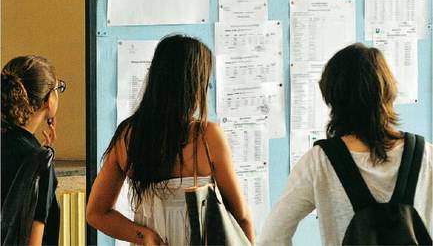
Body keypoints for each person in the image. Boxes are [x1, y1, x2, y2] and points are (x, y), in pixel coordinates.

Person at [86, 34, 255, 245]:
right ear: (194, 85)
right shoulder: (208, 136)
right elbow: (241, 217)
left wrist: (145, 236)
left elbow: (96, 213)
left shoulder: (129, 136)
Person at [260, 43, 432, 245]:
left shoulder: (319, 162)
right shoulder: (426, 155)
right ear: (388, 91)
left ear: (332, 96)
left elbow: (271, 238)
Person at [1, 55, 66, 245]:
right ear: (48, 100)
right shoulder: (39, 162)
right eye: (57, 88)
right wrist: (43, 157)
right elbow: (33, 239)